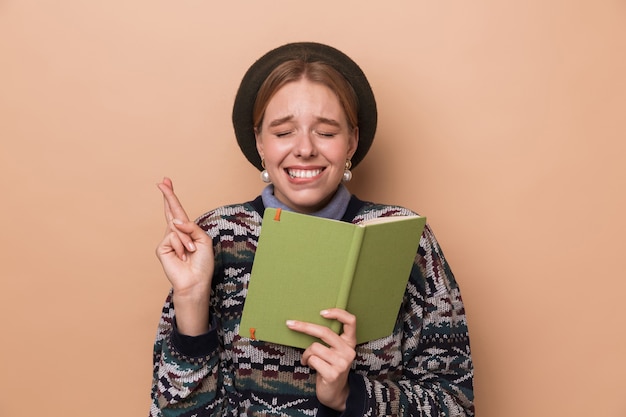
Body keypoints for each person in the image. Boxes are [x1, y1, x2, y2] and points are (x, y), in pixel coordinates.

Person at [150, 42, 474, 417]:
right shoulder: (216, 237)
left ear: (352, 140)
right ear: (259, 142)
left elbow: (456, 405)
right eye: (284, 132)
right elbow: (171, 411)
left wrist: (350, 395)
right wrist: (191, 299)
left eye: (326, 131)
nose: (304, 149)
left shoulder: (403, 237)